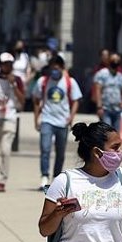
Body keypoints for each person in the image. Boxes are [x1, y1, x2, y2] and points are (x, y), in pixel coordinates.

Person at [34, 55, 82, 190]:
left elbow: (76, 100)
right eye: (52, 67)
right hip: (47, 120)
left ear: (62, 68)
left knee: (60, 152)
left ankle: (56, 177)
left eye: (57, 67)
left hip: (62, 122)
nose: (55, 70)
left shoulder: (69, 82)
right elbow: (36, 100)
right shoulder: (43, 81)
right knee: (45, 149)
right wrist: (36, 118)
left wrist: (71, 117)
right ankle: (44, 176)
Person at [0, 52, 25, 192]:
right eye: (4, 64)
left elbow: (22, 101)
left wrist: (13, 84)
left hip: (10, 118)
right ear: (0, 64)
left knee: (5, 150)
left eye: (9, 64)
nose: (6, 66)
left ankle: (2, 180)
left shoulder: (17, 80)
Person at [93, 52, 122, 133]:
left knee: (116, 134)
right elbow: (98, 90)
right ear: (109, 61)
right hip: (106, 108)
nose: (115, 62)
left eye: (117, 60)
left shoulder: (120, 76)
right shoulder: (102, 73)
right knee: (107, 133)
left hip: (117, 109)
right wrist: (99, 106)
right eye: (113, 59)